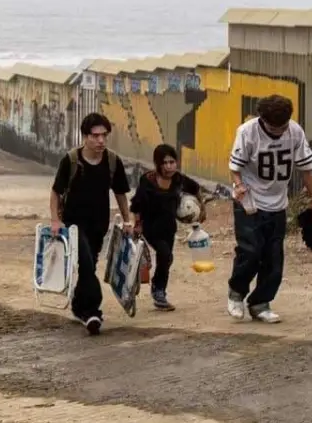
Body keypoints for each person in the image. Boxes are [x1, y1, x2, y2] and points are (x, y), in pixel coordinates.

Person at [227, 94, 312, 324]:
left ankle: (260, 303)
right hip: (249, 201)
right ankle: (236, 293)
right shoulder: (247, 132)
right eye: (274, 127)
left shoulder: (295, 132)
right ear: (263, 120)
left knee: (273, 257)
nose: (279, 132)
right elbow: (234, 167)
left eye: (282, 127)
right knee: (250, 251)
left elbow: (306, 169)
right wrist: (239, 186)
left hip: (278, 203)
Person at [49, 112, 132, 335]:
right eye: (95, 136)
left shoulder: (113, 161)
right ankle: (92, 312)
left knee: (90, 266)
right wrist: (55, 220)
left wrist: (127, 220)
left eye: (104, 136)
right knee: (86, 263)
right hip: (73, 224)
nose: (101, 141)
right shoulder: (71, 160)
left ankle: (78, 305)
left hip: (99, 224)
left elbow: (121, 193)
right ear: (85, 136)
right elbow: (56, 192)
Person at [129, 144, 205, 312]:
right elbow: (137, 204)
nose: (170, 166)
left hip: (169, 228)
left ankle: (159, 290)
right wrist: (138, 224)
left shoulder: (178, 179)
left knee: (167, 259)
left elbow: (196, 189)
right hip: (151, 227)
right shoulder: (147, 181)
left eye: (172, 162)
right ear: (158, 164)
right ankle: (158, 291)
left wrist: (201, 209)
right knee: (165, 254)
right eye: (166, 163)